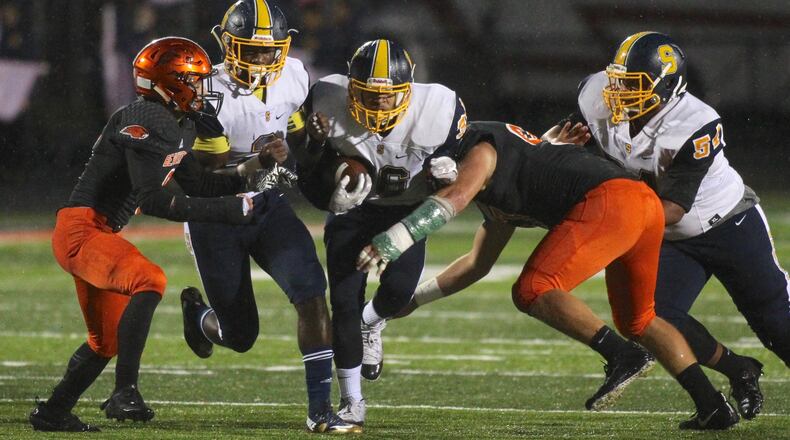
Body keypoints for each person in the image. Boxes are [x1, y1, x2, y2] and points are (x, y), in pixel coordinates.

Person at [357, 120, 741, 430]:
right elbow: (477, 264)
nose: (435, 185)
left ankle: (621, 355)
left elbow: (455, 199)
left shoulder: (481, 148)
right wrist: (413, 300)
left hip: (613, 201)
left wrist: (392, 242)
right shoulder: (500, 184)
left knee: (532, 288)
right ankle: (712, 406)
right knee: (638, 319)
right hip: (642, 207)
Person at [29, 37, 256, 432]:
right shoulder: (148, 117)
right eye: (194, 80)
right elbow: (151, 199)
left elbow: (199, 184)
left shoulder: (172, 122)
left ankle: (54, 411)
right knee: (150, 279)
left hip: (95, 231)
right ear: (170, 82)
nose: (203, 90)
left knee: (106, 342)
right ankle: (125, 392)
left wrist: (249, 172)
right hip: (82, 230)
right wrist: (228, 212)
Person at [576, 31, 790, 419]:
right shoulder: (596, 97)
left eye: (634, 85)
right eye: (618, 81)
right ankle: (738, 368)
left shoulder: (695, 123)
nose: (619, 93)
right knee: (651, 316)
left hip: (728, 224)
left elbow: (673, 206)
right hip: (667, 235)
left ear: (668, 86)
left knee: (775, 323)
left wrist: (609, 217)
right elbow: (583, 138)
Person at [177, 0, 359, 434]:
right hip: (215, 214)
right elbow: (203, 177)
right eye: (251, 49)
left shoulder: (294, 74)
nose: (261, 59)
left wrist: (312, 141)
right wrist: (258, 162)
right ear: (227, 45)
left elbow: (292, 136)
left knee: (312, 293)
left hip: (265, 203)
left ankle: (319, 411)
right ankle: (200, 318)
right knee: (240, 336)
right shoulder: (207, 91)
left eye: (268, 49)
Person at [293, 38, 468, 426]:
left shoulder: (437, 107)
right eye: (368, 95)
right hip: (354, 210)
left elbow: (457, 163)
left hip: (405, 212)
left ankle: (373, 322)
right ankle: (352, 401)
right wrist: (328, 181)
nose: (378, 105)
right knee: (343, 301)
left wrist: (446, 170)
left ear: (408, 92)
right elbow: (307, 175)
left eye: (387, 97)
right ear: (351, 88)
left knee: (398, 292)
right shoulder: (325, 100)